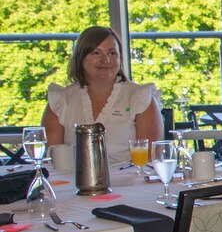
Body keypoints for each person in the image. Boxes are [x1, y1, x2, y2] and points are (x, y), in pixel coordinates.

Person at [42, 26, 164, 165]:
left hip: (130, 183)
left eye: (112, 53)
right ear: (80, 57)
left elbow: (149, 162)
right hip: (73, 184)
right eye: (96, 53)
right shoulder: (61, 100)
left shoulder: (141, 97)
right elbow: (53, 163)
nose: (106, 60)